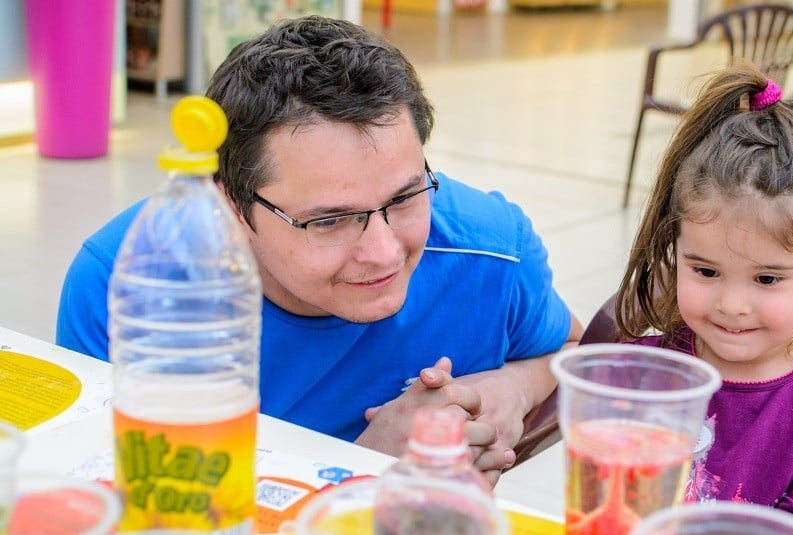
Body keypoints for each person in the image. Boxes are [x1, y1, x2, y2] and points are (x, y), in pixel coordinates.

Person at [56, 16, 583, 485]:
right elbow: (106, 500)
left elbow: (573, 356)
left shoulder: (493, 253)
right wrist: (353, 472)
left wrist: (512, 388)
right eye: (329, 220)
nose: (383, 252)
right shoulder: (125, 281)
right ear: (231, 210)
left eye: (404, 197)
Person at [614, 62, 793, 535]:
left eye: (767, 278)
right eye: (706, 271)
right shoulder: (643, 373)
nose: (733, 305)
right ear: (677, 249)